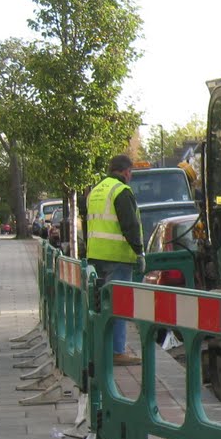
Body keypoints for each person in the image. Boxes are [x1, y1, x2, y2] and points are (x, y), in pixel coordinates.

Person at [83, 153, 144, 366]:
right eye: (131, 174)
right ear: (126, 172)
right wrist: (139, 252)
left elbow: (87, 224)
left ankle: (99, 348)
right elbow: (130, 225)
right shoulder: (121, 191)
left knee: (101, 305)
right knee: (120, 303)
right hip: (117, 256)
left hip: (96, 256)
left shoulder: (95, 191)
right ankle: (117, 351)